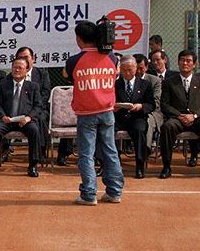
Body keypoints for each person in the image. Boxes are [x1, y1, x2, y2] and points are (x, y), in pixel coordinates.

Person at [64, 20, 125, 203]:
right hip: (107, 111)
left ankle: (89, 194)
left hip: (87, 113)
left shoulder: (74, 61)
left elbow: (68, 77)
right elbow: (116, 75)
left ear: (78, 38)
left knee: (86, 154)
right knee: (110, 151)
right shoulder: (111, 58)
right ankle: (114, 192)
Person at [158, 49, 200, 179]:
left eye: (189, 61)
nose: (185, 63)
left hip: (196, 118)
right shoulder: (169, 82)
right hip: (177, 118)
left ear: (194, 64)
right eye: (182, 60)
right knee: (167, 127)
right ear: (178, 63)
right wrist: (180, 116)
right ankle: (166, 166)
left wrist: (194, 115)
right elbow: (165, 105)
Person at [0, 57, 45, 178]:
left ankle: (33, 166)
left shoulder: (33, 86)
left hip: (25, 121)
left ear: (26, 70)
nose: (17, 70)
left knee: (34, 130)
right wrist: (2, 117)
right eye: (15, 67)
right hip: (7, 121)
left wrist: (28, 118)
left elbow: (38, 106)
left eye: (20, 68)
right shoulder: (3, 86)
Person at [114, 55, 156, 179]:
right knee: (106, 129)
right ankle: (106, 164)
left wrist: (141, 106)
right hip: (119, 117)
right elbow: (108, 101)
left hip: (137, 117)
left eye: (130, 70)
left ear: (136, 68)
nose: (127, 73)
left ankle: (140, 165)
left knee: (139, 130)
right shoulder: (115, 84)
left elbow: (151, 105)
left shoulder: (145, 85)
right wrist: (113, 107)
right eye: (124, 70)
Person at [136, 53, 163, 157]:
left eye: (141, 68)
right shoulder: (127, 80)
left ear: (146, 67)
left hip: (151, 112)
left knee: (148, 120)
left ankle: (145, 150)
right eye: (136, 68)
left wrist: (142, 107)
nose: (138, 71)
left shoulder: (155, 81)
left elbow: (156, 102)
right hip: (132, 111)